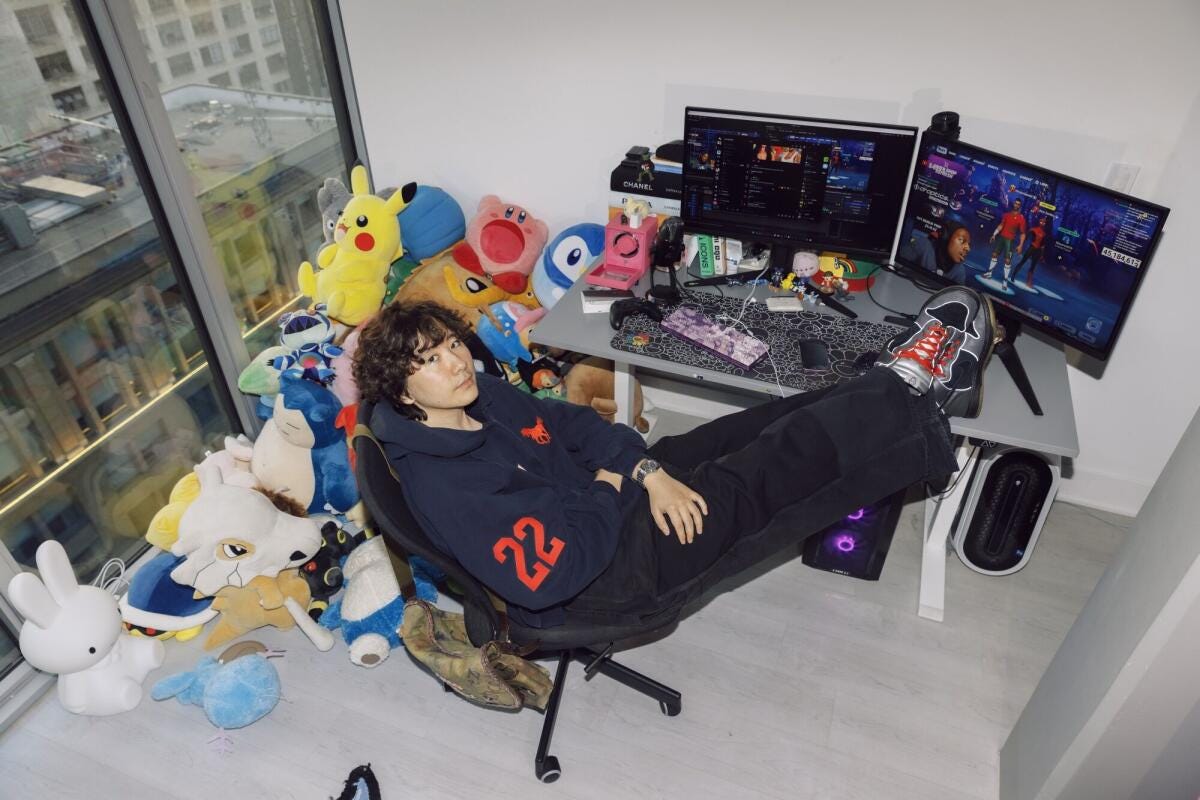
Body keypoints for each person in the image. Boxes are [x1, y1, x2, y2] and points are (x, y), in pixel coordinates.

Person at [356, 289, 997, 629]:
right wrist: (616, 483)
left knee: (746, 428)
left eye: (448, 345)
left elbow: (573, 424)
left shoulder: (480, 394)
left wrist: (644, 471)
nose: (456, 363)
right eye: (430, 362)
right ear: (401, 390)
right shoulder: (446, 484)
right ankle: (917, 395)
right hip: (608, 576)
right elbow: (552, 576)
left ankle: (882, 383)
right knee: (768, 468)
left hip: (602, 503)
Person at [898, 222, 972, 283]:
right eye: (961, 240)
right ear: (945, 237)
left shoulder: (960, 270)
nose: (968, 248)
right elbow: (896, 264)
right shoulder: (923, 245)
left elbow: (958, 296)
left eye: (968, 244)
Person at [983, 198, 1026, 282]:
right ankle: (989, 273)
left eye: (1018, 204)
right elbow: (1001, 225)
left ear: (1020, 206)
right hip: (1001, 238)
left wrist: (1021, 245)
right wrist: (994, 234)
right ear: (1013, 204)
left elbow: (1023, 233)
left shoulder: (1021, 219)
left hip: (1010, 241)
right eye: (1015, 203)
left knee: (1007, 260)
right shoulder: (1006, 215)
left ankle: (1005, 281)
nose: (1016, 205)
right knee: (994, 254)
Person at [1009, 215, 1050, 289]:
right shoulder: (1033, 229)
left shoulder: (1044, 234)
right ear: (1039, 222)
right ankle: (1013, 276)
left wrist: (1042, 255)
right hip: (1032, 248)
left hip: (1038, 251)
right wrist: (1020, 246)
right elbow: (1025, 238)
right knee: (1022, 262)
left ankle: (1028, 283)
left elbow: (1043, 246)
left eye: (1044, 222)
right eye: (1041, 221)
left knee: (1032, 267)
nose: (1042, 223)